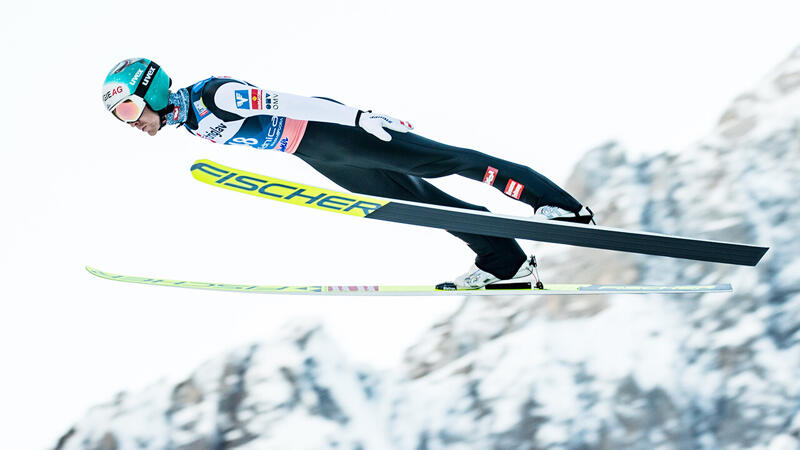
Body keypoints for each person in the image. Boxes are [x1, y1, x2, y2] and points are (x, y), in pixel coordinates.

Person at [102, 58, 594, 289]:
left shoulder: (214, 96)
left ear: (152, 89)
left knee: (449, 161)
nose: (132, 124)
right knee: (418, 208)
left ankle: (559, 207)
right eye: (121, 118)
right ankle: (505, 263)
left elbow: (295, 102)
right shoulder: (189, 121)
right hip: (319, 155)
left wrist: (360, 117)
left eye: (128, 110)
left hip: (341, 134)